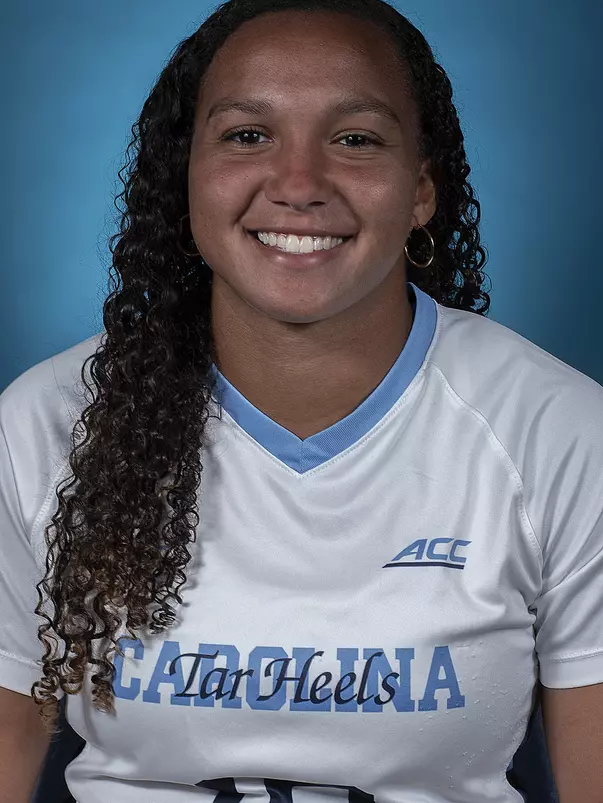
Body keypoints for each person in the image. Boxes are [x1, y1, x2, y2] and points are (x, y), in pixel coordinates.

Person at [0, 0, 601, 800]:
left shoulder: (558, 430)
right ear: (186, 183)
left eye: (354, 139)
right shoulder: (48, 421)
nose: (297, 184)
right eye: (248, 135)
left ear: (420, 191)